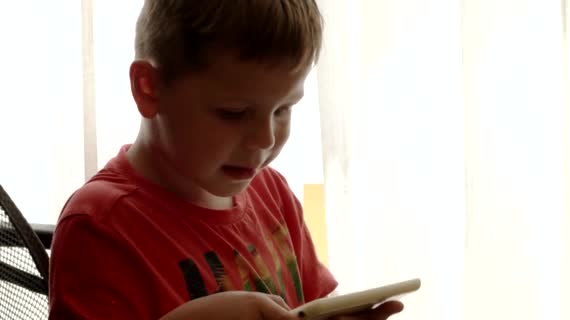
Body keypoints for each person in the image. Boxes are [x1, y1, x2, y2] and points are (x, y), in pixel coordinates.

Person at [48, 0, 404, 319]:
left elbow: (315, 299)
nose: (265, 140)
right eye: (233, 113)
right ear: (148, 88)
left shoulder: (271, 192)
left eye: (283, 109)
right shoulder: (100, 228)